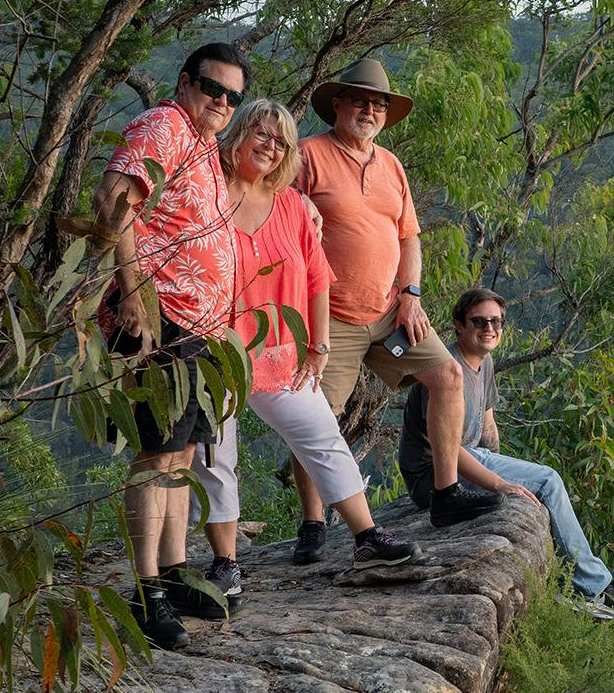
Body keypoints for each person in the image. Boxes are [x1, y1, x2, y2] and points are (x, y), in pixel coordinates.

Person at [188, 101, 419, 608]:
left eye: (279, 141)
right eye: (260, 134)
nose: (269, 146)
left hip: (278, 351)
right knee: (216, 458)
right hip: (212, 350)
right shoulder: (207, 194)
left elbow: (317, 278)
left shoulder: (293, 206)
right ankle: (225, 564)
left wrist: (319, 344)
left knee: (322, 438)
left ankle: (366, 538)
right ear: (239, 135)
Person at [289, 57, 499, 562]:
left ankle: (445, 493)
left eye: (378, 104)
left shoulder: (391, 165)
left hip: (389, 311)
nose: (368, 110)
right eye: (359, 100)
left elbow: (409, 238)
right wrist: (301, 208)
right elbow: (276, 215)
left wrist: (412, 293)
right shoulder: (308, 156)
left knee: (448, 376)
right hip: (329, 313)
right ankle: (314, 522)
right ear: (336, 103)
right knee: (316, 416)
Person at [91, 42, 248, 650]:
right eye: (213, 89)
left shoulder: (202, 142)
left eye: (232, 97)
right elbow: (111, 201)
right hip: (161, 322)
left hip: (200, 331)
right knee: (155, 459)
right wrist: (133, 294)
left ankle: (176, 571)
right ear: (186, 82)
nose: (222, 103)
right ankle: (146, 591)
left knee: (182, 458)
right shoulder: (163, 124)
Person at [398, 288, 614, 620]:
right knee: (548, 480)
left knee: (536, 485)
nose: (490, 329)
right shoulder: (445, 369)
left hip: (468, 456)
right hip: (435, 474)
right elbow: (448, 448)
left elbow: (487, 426)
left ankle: (574, 580)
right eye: (479, 321)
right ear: (459, 325)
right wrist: (500, 483)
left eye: (496, 322)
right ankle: (594, 587)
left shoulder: (482, 363)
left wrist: (506, 469)